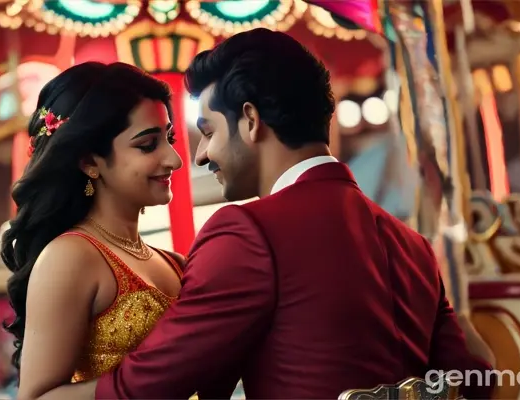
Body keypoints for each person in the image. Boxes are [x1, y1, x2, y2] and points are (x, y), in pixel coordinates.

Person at [68, 28, 495, 399]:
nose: (200, 156)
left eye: (209, 131)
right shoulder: (412, 244)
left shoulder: (247, 232)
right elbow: (478, 377)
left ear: (250, 121)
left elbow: (146, 387)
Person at [0, 62, 185, 399]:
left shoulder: (175, 263)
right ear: (89, 162)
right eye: (148, 145)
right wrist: (140, 382)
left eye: (169, 139)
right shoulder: (71, 257)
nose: (174, 159)